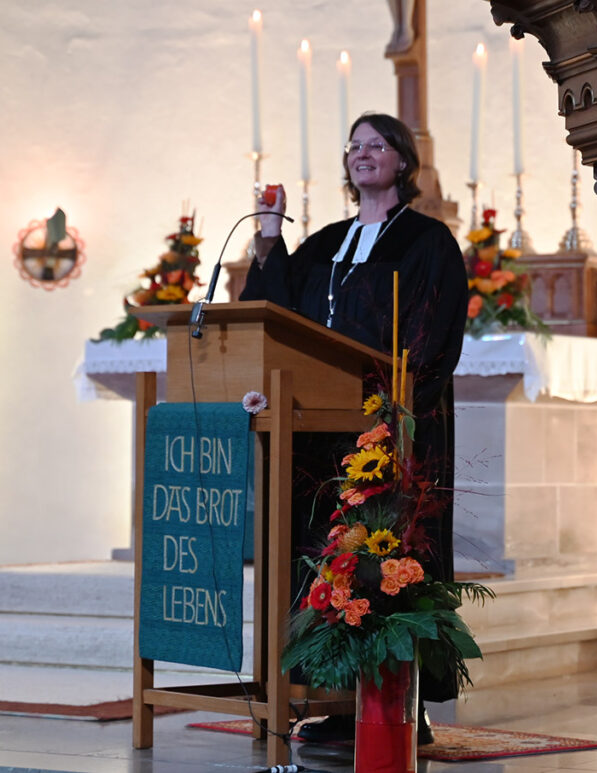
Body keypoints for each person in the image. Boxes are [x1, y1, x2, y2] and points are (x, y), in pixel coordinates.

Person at [239, 112, 467, 743]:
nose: (362, 155)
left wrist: (395, 409)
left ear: (402, 160)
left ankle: (398, 706)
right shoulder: (327, 243)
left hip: (391, 425)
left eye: (376, 145)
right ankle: (335, 699)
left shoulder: (426, 241)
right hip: (318, 432)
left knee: (384, 559)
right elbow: (278, 310)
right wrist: (266, 238)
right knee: (323, 558)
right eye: (354, 147)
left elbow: (435, 333)